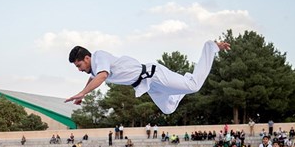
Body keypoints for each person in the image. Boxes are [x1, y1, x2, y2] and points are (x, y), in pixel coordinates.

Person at [65, 40, 230, 114]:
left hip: (154, 75)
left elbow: (101, 77)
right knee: (168, 109)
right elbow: (94, 76)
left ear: (87, 58)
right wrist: (83, 92)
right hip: (148, 86)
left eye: (79, 66)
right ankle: (182, 83)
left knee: (194, 86)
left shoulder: (99, 56)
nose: (79, 70)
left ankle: (210, 47)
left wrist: (83, 93)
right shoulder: (95, 68)